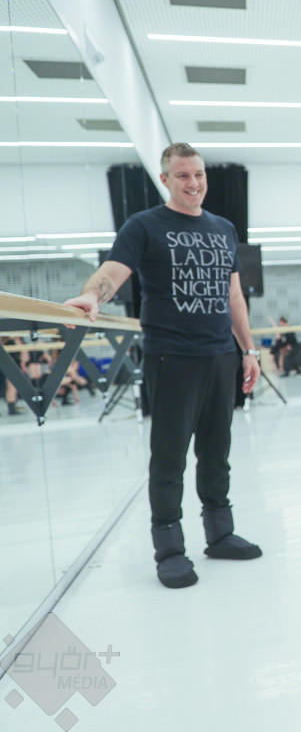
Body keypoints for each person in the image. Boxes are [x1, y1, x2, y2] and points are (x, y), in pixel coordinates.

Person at [64, 142, 262, 590]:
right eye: (183, 175)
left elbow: (234, 296)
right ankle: (170, 550)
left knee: (216, 453)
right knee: (170, 458)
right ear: (166, 179)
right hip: (172, 357)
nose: (194, 183)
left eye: (199, 174)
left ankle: (220, 534)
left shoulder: (224, 228)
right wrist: (92, 294)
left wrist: (248, 350)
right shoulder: (144, 225)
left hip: (220, 356)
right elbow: (113, 272)